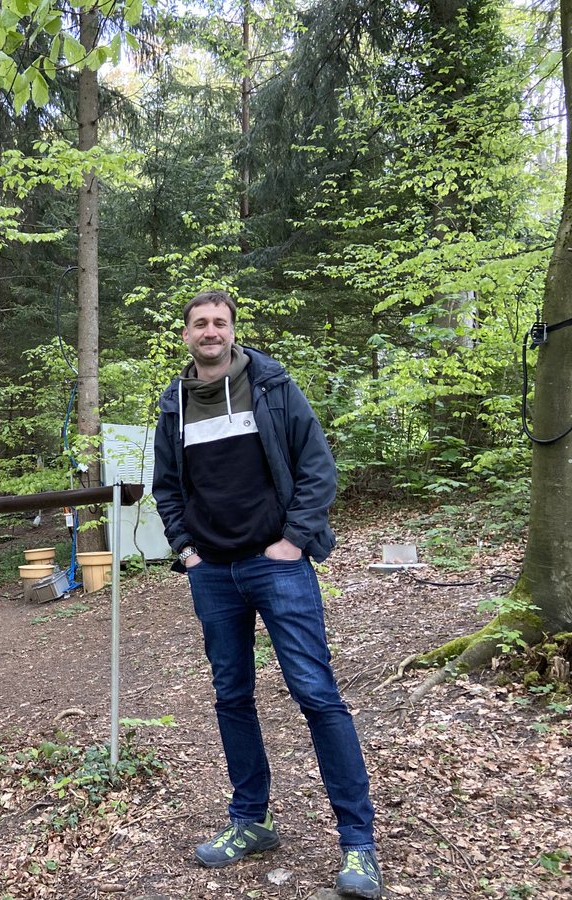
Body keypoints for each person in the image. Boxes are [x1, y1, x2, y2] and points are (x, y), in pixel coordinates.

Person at [151, 289, 383, 899]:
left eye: (219, 322)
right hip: (212, 574)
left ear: (233, 330)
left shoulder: (274, 387)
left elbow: (318, 466)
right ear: (186, 334)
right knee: (232, 696)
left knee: (316, 694)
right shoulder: (173, 404)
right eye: (199, 322)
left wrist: (293, 540)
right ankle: (251, 822)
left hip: (276, 566)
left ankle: (358, 844)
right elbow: (167, 487)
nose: (210, 331)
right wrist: (187, 550)